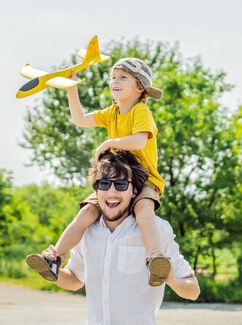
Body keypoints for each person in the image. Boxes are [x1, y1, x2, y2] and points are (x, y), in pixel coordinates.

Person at [30, 149, 200, 325]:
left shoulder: (155, 230)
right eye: (104, 184)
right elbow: (76, 280)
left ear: (134, 191)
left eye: (121, 184)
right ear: (96, 190)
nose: (112, 192)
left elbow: (193, 289)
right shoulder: (87, 232)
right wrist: (55, 274)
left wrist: (169, 277)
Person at [26, 57, 170, 287]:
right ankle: (55, 257)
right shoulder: (111, 113)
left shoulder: (140, 111)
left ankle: (155, 259)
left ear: (139, 87)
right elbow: (80, 119)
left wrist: (108, 143)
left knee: (144, 210)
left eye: (123, 77)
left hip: (144, 180)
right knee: (86, 213)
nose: (115, 81)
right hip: (117, 178)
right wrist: (72, 89)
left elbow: (140, 141)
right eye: (113, 77)